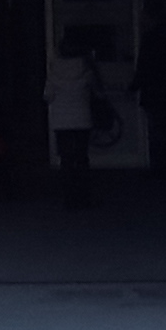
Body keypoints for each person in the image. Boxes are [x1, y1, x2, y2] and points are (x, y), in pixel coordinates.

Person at [46, 31, 103, 210]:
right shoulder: (87, 69)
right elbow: (98, 93)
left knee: (66, 159)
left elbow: (47, 96)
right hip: (82, 119)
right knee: (81, 157)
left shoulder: (54, 70)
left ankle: (68, 198)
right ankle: (83, 196)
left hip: (61, 120)